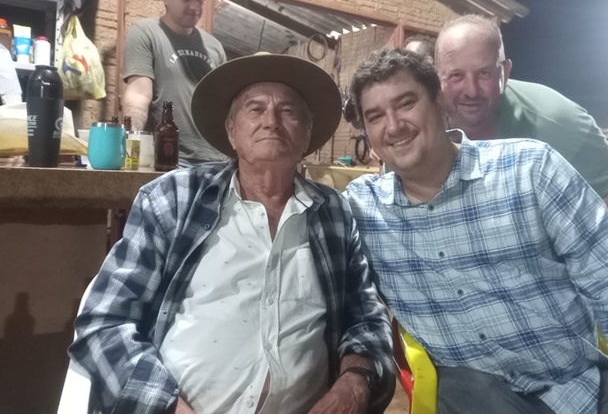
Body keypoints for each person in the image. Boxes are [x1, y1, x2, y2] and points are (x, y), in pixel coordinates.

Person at [344, 48, 608, 414]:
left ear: (439, 102)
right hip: (477, 397)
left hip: (583, 389)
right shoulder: (362, 209)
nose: (394, 125)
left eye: (406, 104)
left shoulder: (531, 169)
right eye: (376, 116)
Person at [70, 53, 394, 414]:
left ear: (307, 133)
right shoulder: (174, 199)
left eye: (288, 111)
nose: (271, 121)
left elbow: (366, 317)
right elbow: (105, 323)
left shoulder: (333, 213)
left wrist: (355, 382)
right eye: (255, 109)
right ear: (231, 131)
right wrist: (166, 406)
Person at [435, 14, 608, 223]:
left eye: (484, 73)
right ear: (436, 76)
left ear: (504, 73)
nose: (471, 91)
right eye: (456, 75)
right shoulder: (418, 124)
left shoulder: (555, 119)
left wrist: (574, 243)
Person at [122, 0, 227, 165]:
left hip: (215, 159)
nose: (195, 6)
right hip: (167, 156)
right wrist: (131, 143)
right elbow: (138, 94)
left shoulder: (214, 46)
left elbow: (222, 104)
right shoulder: (146, 33)